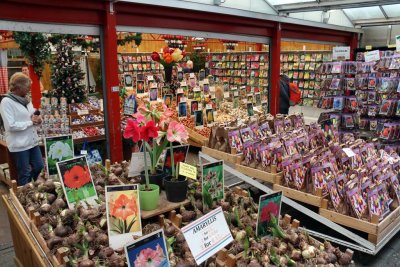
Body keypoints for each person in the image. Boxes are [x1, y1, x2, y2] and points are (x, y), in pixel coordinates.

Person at [0, 73, 44, 185]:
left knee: (39, 165)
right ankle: (25, 195)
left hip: (32, 141)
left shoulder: (26, 100)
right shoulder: (6, 102)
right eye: (27, 87)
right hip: (19, 145)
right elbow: (11, 125)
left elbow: (32, 114)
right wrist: (31, 122)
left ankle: (30, 185)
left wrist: (38, 119)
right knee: (24, 173)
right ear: (19, 87)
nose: (29, 89)